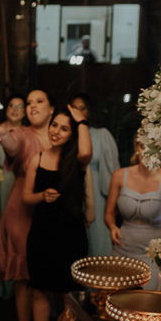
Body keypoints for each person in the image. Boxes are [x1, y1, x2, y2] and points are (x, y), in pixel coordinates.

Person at [0, 89, 56, 321]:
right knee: (23, 277)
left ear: (51, 108)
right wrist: (3, 137)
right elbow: (13, 144)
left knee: (51, 276)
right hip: (21, 209)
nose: (33, 106)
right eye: (29, 103)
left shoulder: (61, 133)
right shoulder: (22, 134)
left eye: (40, 101)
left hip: (53, 211)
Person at [22, 106, 92, 321]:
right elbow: (25, 197)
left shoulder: (77, 161)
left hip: (70, 237)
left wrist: (81, 120)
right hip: (40, 235)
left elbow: (86, 151)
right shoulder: (36, 158)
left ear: (72, 134)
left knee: (68, 297)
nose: (56, 131)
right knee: (39, 292)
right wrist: (41, 197)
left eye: (64, 128)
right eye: (54, 125)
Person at [104, 134, 161, 290]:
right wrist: (112, 227)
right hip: (121, 248)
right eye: (143, 146)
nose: (148, 153)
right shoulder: (119, 176)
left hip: (150, 254)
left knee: (144, 305)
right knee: (115, 301)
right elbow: (109, 213)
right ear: (137, 147)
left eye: (154, 148)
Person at [0, 93, 25, 297]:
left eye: (20, 106)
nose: (15, 109)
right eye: (11, 105)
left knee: (16, 235)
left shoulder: (26, 133)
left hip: (17, 184)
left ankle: (14, 284)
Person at [70, 93, 119, 256]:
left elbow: (113, 169)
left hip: (97, 191)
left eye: (82, 108)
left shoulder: (101, 134)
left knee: (97, 241)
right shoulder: (67, 134)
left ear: (89, 111)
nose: (78, 112)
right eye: (74, 108)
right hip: (72, 190)